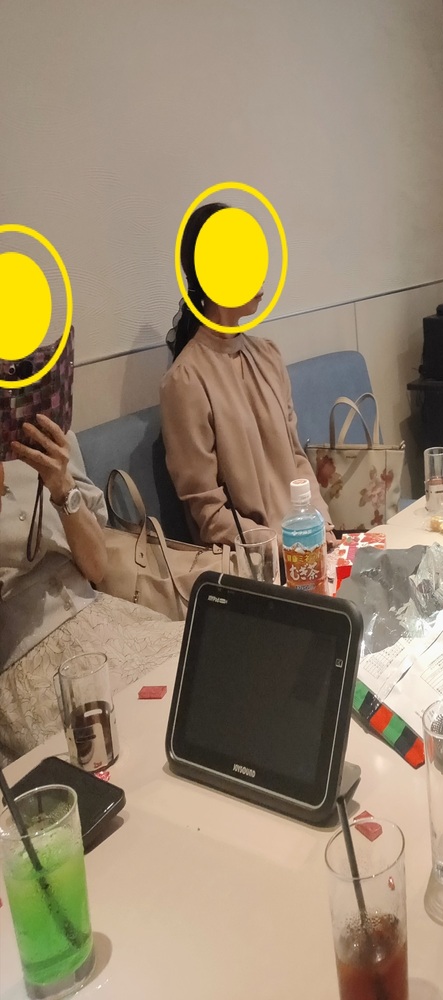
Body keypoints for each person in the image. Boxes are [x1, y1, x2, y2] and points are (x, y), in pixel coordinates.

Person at [0, 416, 182, 765]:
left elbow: (97, 568)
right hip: (26, 666)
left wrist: (61, 487)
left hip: (102, 620)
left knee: (197, 674)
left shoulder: (48, 436)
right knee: (123, 751)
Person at [160, 202, 329, 547]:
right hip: (253, 562)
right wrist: (279, 547)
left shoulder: (268, 356)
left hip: (307, 546)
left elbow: (297, 461)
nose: (261, 274)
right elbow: (209, 513)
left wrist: (322, 526)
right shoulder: (185, 382)